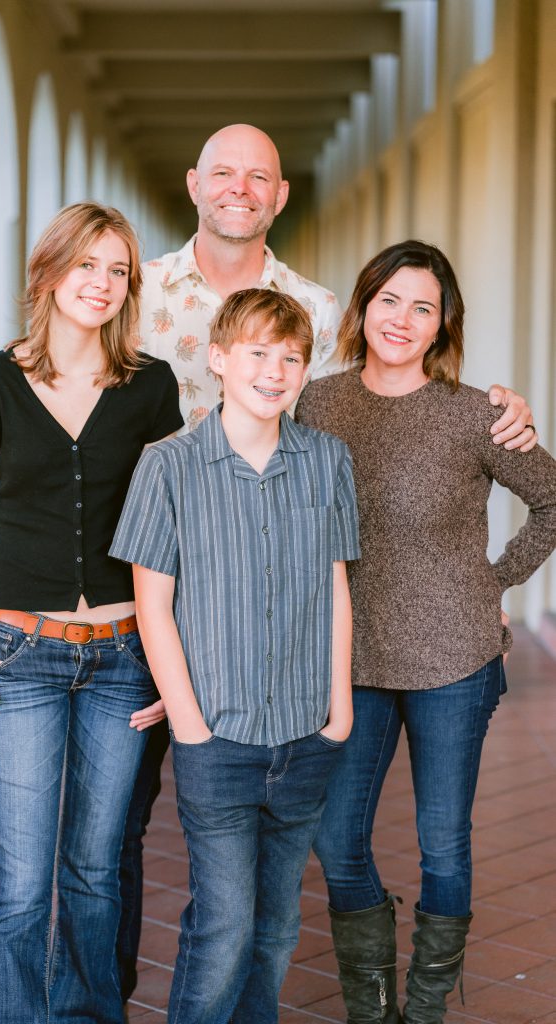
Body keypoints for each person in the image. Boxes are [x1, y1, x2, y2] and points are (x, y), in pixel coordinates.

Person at [0, 124, 537, 1003]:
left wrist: (496, 421)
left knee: (104, 855)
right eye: (223, 172)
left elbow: (379, 387)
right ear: (193, 183)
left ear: (280, 195)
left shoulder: (316, 313)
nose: (239, 188)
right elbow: (60, 341)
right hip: (103, 613)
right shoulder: (134, 301)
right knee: (95, 848)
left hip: (210, 629)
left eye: (257, 176)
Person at [295, 240, 556, 1023]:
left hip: (453, 661)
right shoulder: (316, 403)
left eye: (423, 307)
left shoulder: (475, 414)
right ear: (362, 306)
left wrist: (494, 578)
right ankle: (371, 1008)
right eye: (388, 300)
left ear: (442, 326)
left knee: (443, 843)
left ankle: (426, 1008)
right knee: (336, 840)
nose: (401, 319)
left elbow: (550, 500)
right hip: (350, 658)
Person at [0, 203, 183, 1024]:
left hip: (123, 658)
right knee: (20, 876)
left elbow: (171, 535)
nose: (102, 284)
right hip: (18, 654)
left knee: (92, 872)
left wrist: (172, 663)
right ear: (48, 272)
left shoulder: (151, 386)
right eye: (86, 265)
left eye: (118, 270)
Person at [110, 288, 360, 1024]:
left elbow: (337, 588)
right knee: (224, 927)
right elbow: (152, 606)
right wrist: (187, 726)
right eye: (257, 353)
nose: (274, 370)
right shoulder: (168, 466)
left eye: (291, 357)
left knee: (278, 927)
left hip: (306, 733)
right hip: (214, 738)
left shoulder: (327, 460)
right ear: (217, 359)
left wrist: (338, 713)